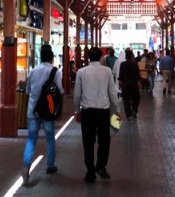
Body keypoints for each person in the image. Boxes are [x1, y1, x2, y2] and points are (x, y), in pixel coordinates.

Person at [74, 47, 121, 183]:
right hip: (103, 111)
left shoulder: (81, 72)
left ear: (88, 57)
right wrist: (117, 110)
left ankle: (90, 171)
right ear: (101, 56)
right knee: (104, 140)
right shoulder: (106, 71)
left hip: (87, 111)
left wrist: (77, 111)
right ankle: (101, 166)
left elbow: (77, 94)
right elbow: (112, 93)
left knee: (88, 142)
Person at [21, 44, 64, 186]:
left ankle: (27, 166)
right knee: (50, 138)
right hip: (48, 112)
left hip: (33, 111)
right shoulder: (55, 72)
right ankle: (50, 166)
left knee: (31, 139)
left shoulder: (32, 72)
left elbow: (27, 91)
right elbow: (60, 92)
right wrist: (59, 111)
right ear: (52, 58)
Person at [118, 49, 141, 121]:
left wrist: (120, 82)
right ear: (131, 56)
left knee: (126, 100)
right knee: (136, 98)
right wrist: (139, 82)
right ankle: (134, 110)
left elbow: (120, 75)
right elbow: (138, 74)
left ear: (125, 56)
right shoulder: (135, 63)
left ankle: (128, 115)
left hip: (125, 84)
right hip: (134, 84)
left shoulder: (122, 64)